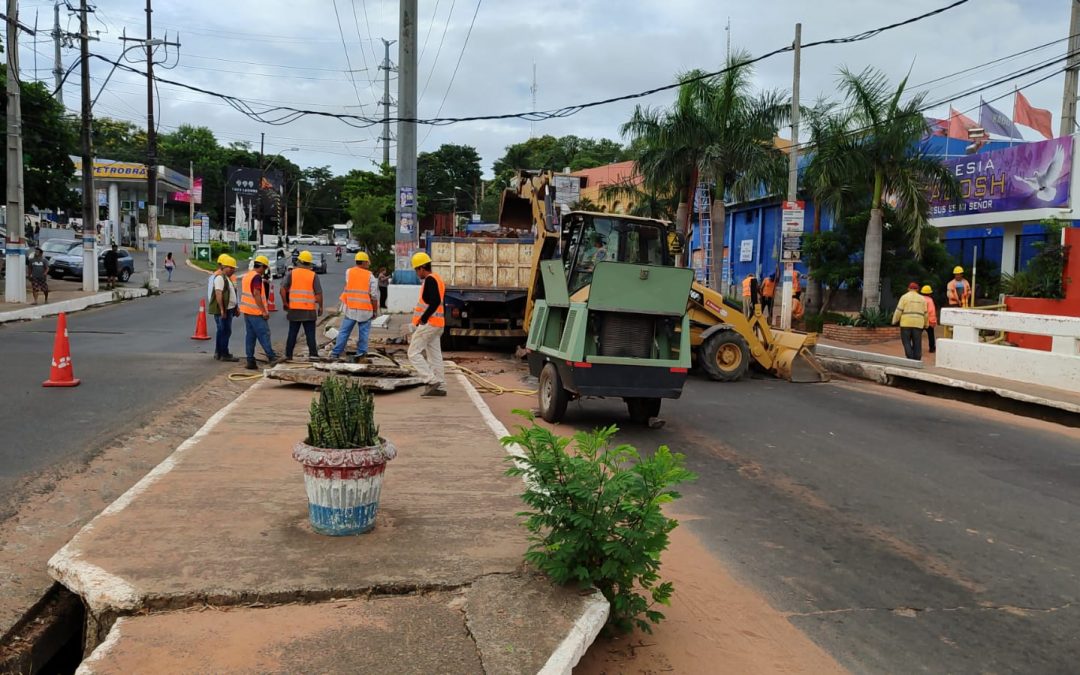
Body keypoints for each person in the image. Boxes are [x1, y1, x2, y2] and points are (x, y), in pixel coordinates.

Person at [408, 251, 446, 397]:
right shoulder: (438, 279)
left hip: (429, 324)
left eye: (417, 270)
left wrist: (423, 318)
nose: (417, 273)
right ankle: (440, 386)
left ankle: (431, 380)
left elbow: (435, 301)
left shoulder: (430, 280)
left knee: (413, 353)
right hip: (438, 324)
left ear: (422, 268)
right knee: (435, 356)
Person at [330, 252, 380, 361]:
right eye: (367, 262)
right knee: (364, 333)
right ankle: (361, 353)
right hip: (365, 310)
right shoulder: (370, 276)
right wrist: (375, 311)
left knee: (344, 332)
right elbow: (374, 296)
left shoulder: (349, 272)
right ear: (365, 262)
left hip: (351, 308)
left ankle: (336, 353)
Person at [239, 256, 280, 370]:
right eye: (265, 268)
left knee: (250, 336)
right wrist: (263, 311)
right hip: (256, 312)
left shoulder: (247, 275)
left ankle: (250, 360)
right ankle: (271, 357)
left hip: (247, 311)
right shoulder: (256, 277)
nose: (265, 271)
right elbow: (257, 294)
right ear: (261, 266)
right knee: (264, 334)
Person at [282, 251, 324, 362]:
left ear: (299, 261)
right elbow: (318, 294)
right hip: (309, 310)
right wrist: (320, 307)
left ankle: (288, 355)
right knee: (310, 334)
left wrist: (285, 303)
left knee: (292, 333)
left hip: (294, 309)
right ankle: (313, 355)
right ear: (309, 263)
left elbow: (282, 289)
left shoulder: (292, 273)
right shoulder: (313, 275)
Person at [207, 254, 239, 362]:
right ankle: (224, 353)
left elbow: (232, 293)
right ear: (224, 267)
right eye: (231, 268)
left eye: (233, 268)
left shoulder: (226, 278)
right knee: (225, 331)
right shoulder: (220, 278)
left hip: (229, 309)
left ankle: (219, 352)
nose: (233, 270)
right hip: (224, 310)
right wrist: (222, 310)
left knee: (223, 331)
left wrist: (235, 307)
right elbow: (218, 294)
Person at [892, 282, 929, 360]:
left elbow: (899, 310)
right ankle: (917, 358)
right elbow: (925, 313)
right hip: (918, 324)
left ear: (908, 289)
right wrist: (926, 324)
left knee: (906, 341)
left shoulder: (904, 297)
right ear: (917, 290)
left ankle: (910, 356)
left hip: (906, 323)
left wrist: (894, 320)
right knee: (917, 342)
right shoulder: (922, 299)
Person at [921, 285, 937, 354]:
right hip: (928, 321)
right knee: (931, 335)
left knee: (917, 335)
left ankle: (915, 348)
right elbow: (931, 311)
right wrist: (933, 321)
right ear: (930, 293)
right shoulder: (930, 300)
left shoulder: (920, 299)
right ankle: (932, 348)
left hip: (920, 320)